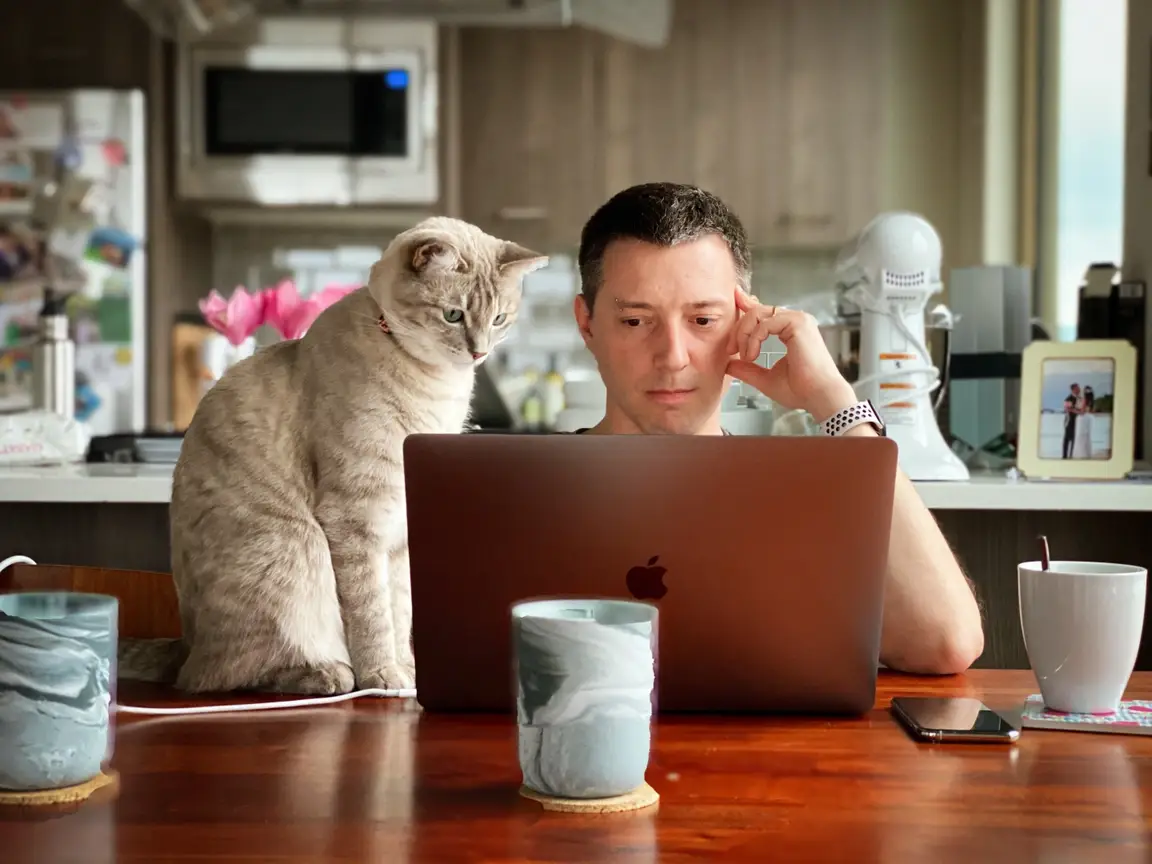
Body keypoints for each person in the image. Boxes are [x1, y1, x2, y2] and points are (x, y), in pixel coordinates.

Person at [570, 182, 984, 675]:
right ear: (587, 324)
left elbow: (946, 643)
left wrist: (834, 401)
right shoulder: (521, 493)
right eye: (636, 322)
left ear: (745, 321)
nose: (674, 358)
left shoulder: (801, 494)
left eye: (703, 320)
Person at [1072, 386, 1094, 458]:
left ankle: (1081, 453)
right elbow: (1089, 410)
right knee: (1087, 436)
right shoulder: (1091, 401)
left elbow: (1082, 412)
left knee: (1080, 436)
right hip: (1089, 418)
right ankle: (1087, 452)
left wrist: (1071, 410)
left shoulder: (1084, 400)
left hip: (1083, 419)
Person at [1062, 383, 1081, 459]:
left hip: (1078, 421)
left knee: (1075, 438)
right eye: (1077, 388)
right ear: (1073, 390)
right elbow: (1067, 410)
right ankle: (1065, 455)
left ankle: (1072, 454)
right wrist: (1077, 412)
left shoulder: (1079, 398)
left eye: (1078, 388)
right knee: (1067, 438)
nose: (1078, 389)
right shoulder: (1068, 399)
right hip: (1069, 420)